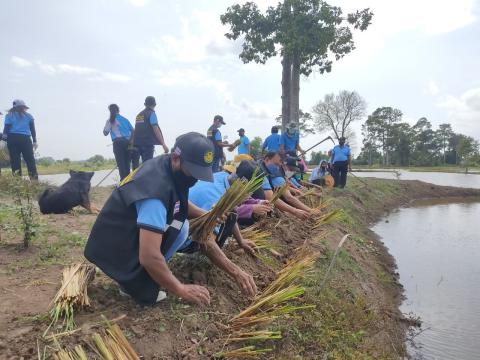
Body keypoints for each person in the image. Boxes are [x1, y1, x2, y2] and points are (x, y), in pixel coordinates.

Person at [84, 132, 256, 306]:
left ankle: (145, 274)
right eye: (193, 172)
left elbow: (180, 202)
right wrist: (180, 289)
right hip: (113, 246)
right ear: (176, 158)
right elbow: (149, 256)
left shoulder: (169, 167)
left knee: (180, 227)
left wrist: (207, 215)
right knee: (178, 229)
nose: (195, 179)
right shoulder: (155, 194)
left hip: (123, 232)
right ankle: (131, 284)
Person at [188, 160, 270, 249]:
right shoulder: (217, 200)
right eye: (249, 192)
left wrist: (241, 241)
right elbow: (207, 243)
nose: (249, 196)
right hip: (187, 238)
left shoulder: (223, 176)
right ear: (242, 184)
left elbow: (232, 210)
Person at [258, 152, 311, 220]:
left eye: (279, 165)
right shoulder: (259, 171)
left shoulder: (274, 172)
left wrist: (295, 189)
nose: (278, 167)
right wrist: (298, 211)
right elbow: (271, 197)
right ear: (267, 160)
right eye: (276, 164)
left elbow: (285, 187)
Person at [1, 100, 38, 180]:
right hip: (25, 140)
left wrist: (3, 140)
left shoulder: (9, 115)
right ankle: (34, 181)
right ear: (23, 107)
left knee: (15, 162)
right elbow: (33, 130)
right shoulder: (29, 116)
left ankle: (17, 181)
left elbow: (6, 129)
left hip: (13, 139)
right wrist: (34, 141)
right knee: (30, 160)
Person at [133, 96, 169, 164]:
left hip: (136, 144)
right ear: (155, 104)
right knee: (147, 166)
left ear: (145, 104)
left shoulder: (139, 115)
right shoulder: (151, 113)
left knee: (136, 168)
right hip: (147, 145)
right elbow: (156, 129)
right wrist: (163, 144)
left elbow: (136, 130)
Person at [103, 104, 134, 181]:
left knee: (121, 165)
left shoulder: (110, 120)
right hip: (128, 143)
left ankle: (123, 183)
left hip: (118, 144)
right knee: (127, 165)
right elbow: (133, 131)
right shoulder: (125, 119)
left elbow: (105, 133)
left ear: (110, 111)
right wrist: (130, 141)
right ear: (118, 110)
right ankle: (128, 183)